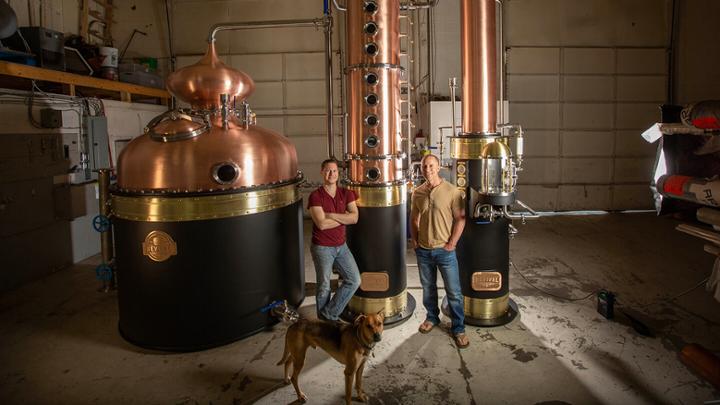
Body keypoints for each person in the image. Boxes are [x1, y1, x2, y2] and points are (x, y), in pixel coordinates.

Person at [409, 154, 468, 348]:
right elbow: (413, 219)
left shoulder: (452, 191)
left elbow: (460, 218)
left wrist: (452, 243)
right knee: (428, 289)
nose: (428, 169)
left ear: (439, 167)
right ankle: (432, 317)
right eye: (425, 166)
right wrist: (416, 242)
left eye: (431, 166)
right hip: (424, 251)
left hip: (445, 251)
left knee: (454, 292)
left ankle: (458, 328)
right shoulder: (417, 192)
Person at [308, 158, 361, 322]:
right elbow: (322, 224)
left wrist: (331, 215)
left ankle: (328, 314)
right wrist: (343, 217)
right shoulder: (315, 196)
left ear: (339, 174)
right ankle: (324, 323)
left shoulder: (346, 193)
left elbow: (354, 218)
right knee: (324, 286)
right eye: (328, 171)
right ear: (322, 172)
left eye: (334, 171)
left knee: (354, 280)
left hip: (341, 246)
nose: (331, 174)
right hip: (322, 247)